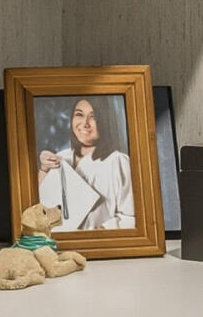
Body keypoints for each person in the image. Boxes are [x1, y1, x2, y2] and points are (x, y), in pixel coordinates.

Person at [39, 96, 135, 231]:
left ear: (105, 121)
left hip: (98, 246)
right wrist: (43, 170)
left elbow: (130, 218)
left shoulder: (119, 162)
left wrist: (98, 232)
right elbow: (40, 208)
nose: (85, 123)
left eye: (93, 117)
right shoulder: (61, 157)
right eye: (79, 114)